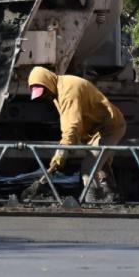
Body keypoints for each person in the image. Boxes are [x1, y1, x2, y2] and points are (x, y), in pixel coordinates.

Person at [27, 66, 126, 200]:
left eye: (44, 92)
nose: (44, 96)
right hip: (96, 130)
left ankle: (94, 201)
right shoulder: (58, 89)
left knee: (89, 168)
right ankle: (111, 196)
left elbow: (72, 124)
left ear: (48, 81)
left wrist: (63, 149)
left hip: (109, 127)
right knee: (102, 166)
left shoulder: (68, 91)